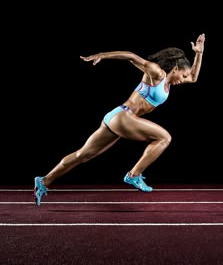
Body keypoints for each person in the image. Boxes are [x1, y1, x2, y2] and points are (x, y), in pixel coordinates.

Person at [34, 33, 205, 206]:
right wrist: (102, 55)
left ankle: (44, 181)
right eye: (182, 75)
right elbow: (130, 56)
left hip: (116, 118)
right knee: (164, 138)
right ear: (175, 69)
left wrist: (199, 52)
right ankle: (133, 175)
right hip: (123, 116)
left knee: (82, 155)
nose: (183, 80)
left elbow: (194, 77)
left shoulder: (168, 84)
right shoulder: (157, 74)